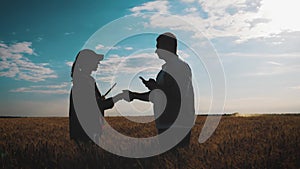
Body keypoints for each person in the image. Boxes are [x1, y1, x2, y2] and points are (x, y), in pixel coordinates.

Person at [124, 32, 195, 151]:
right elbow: (158, 96)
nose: (156, 51)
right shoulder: (164, 70)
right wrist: (134, 95)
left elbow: (178, 95)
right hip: (165, 123)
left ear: (168, 47)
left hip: (178, 124)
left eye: (158, 46)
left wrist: (156, 87)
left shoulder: (180, 67)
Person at [69, 49, 124, 145]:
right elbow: (96, 106)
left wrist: (99, 99)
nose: (98, 62)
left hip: (83, 130)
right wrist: (119, 97)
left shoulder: (84, 80)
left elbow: (93, 103)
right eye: (95, 60)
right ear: (88, 62)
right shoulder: (85, 82)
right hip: (87, 131)